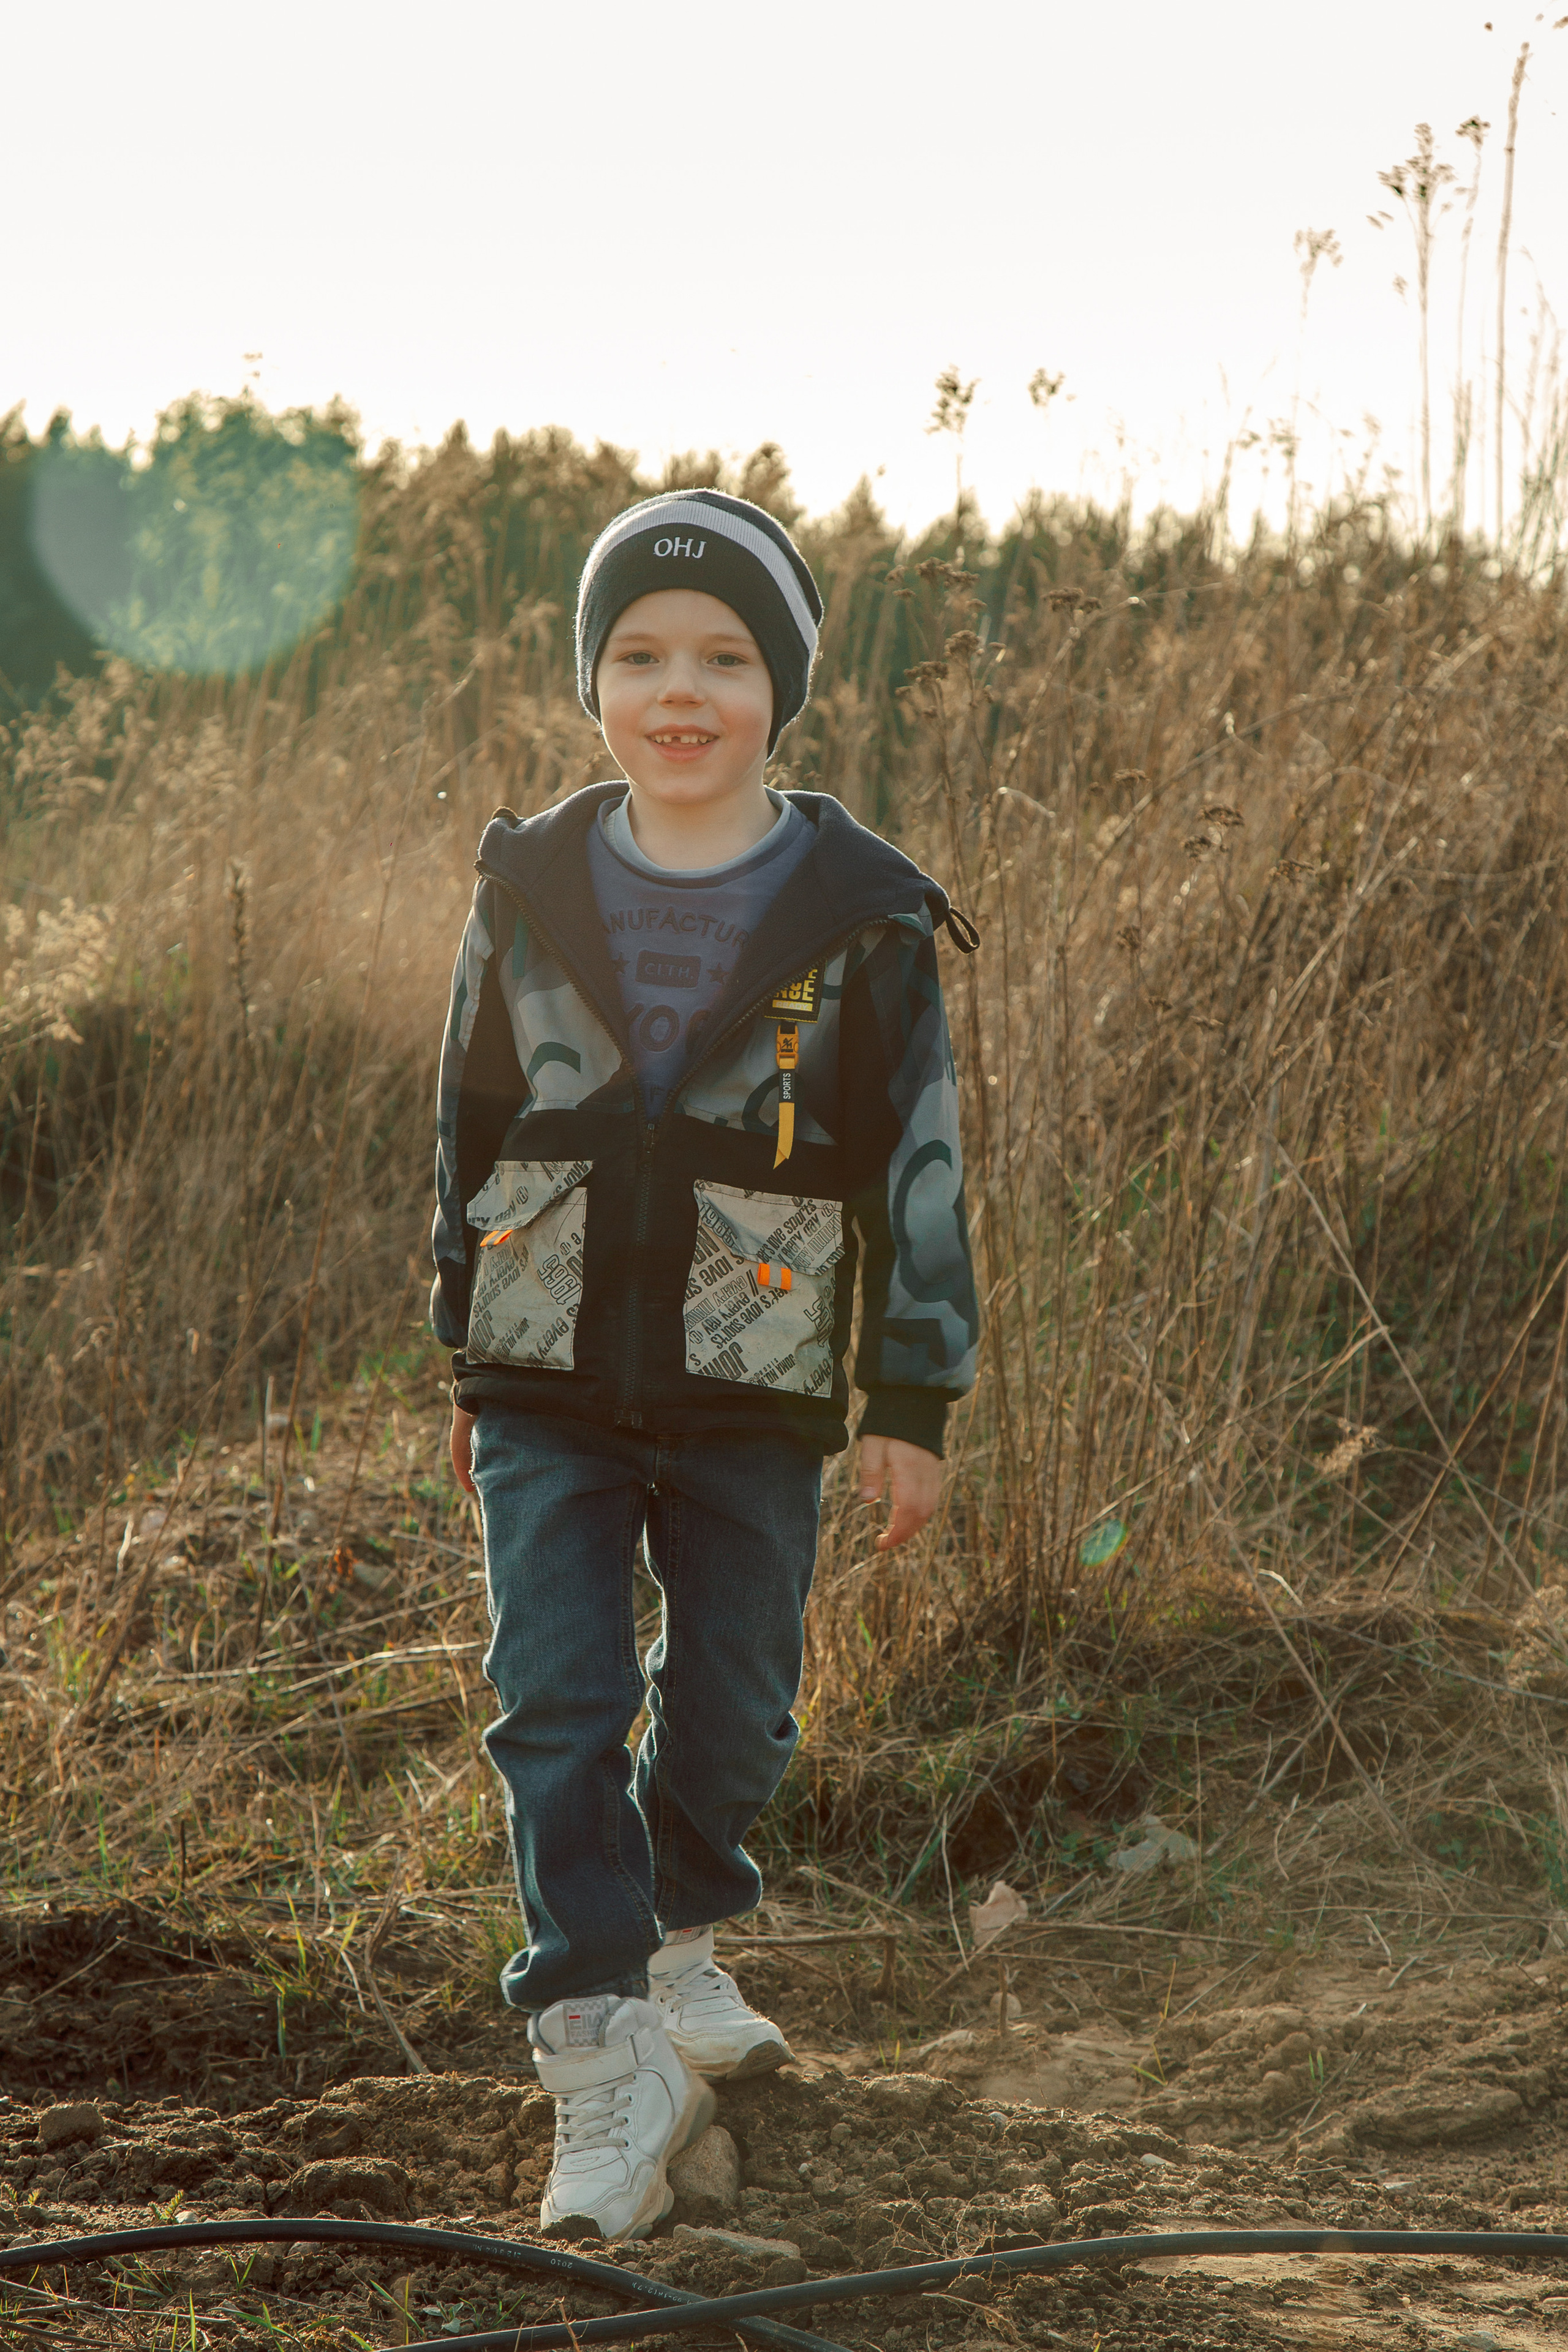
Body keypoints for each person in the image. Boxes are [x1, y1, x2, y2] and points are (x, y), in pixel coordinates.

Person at [429, 488, 979, 2242]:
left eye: (726, 658)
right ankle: (600, 2046)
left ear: (781, 690)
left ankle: (677, 1928)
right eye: (643, 655)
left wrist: (911, 1398)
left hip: (757, 1379)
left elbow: (918, 1163)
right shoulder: (527, 890)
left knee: (736, 1700)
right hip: (546, 1376)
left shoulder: (864, 917)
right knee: (556, 1698)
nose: (682, 692)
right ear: (597, 681)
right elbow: (468, 1123)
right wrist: (465, 1347)